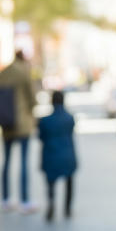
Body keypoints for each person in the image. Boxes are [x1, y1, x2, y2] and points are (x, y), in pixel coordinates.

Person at [0, 50, 37, 214]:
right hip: (23, 124)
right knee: (24, 162)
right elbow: (32, 98)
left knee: (6, 162)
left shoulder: (3, 72)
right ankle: (24, 200)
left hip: (6, 123)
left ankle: (5, 198)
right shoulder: (24, 72)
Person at [38, 90, 78, 221]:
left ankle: (51, 204)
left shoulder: (45, 121)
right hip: (68, 156)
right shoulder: (70, 119)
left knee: (50, 183)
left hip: (50, 156)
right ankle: (67, 209)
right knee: (69, 181)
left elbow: (41, 137)